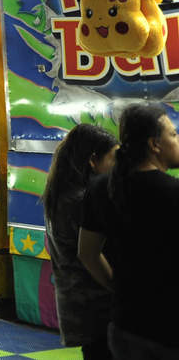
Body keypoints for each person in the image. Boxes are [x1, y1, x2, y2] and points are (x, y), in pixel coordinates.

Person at [78, 104, 179, 358]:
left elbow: (87, 253)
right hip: (169, 330)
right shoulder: (172, 192)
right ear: (154, 144)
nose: (178, 141)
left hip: (125, 325)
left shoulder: (101, 188)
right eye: (174, 135)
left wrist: (117, 286)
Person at [41, 123, 117, 359]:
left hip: (79, 306)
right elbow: (92, 253)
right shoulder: (83, 201)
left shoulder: (62, 194)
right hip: (98, 305)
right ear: (93, 160)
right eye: (114, 158)